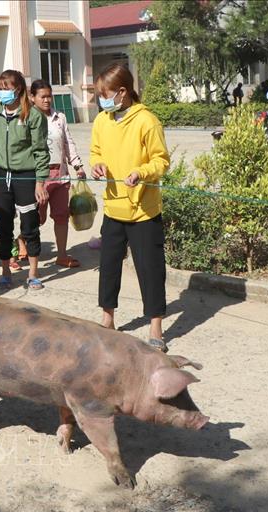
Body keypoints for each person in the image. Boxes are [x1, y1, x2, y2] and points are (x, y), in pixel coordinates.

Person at [90, 63, 170, 352]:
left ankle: (156, 326)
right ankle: (107, 318)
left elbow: (161, 161)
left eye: (105, 93)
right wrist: (97, 164)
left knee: (150, 269)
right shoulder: (102, 120)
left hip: (143, 211)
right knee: (109, 266)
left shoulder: (147, 120)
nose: (102, 99)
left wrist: (141, 172)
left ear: (123, 92)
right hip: (113, 208)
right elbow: (96, 152)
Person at [0, 69, 50, 290]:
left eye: (6, 88)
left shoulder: (33, 115)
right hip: (1, 175)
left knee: (29, 225)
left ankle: (33, 273)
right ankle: (5, 271)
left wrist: (40, 182)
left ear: (18, 89)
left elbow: (40, 151)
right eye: (0, 88)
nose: (2, 93)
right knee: (3, 225)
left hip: (25, 176)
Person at [30, 79, 86, 268]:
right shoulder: (27, 119)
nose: (47, 100)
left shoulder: (59, 118)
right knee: (36, 217)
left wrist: (78, 165)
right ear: (32, 97)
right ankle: (23, 244)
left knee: (61, 216)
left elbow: (68, 143)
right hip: (38, 177)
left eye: (49, 96)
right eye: (42, 96)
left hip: (60, 174)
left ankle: (62, 255)